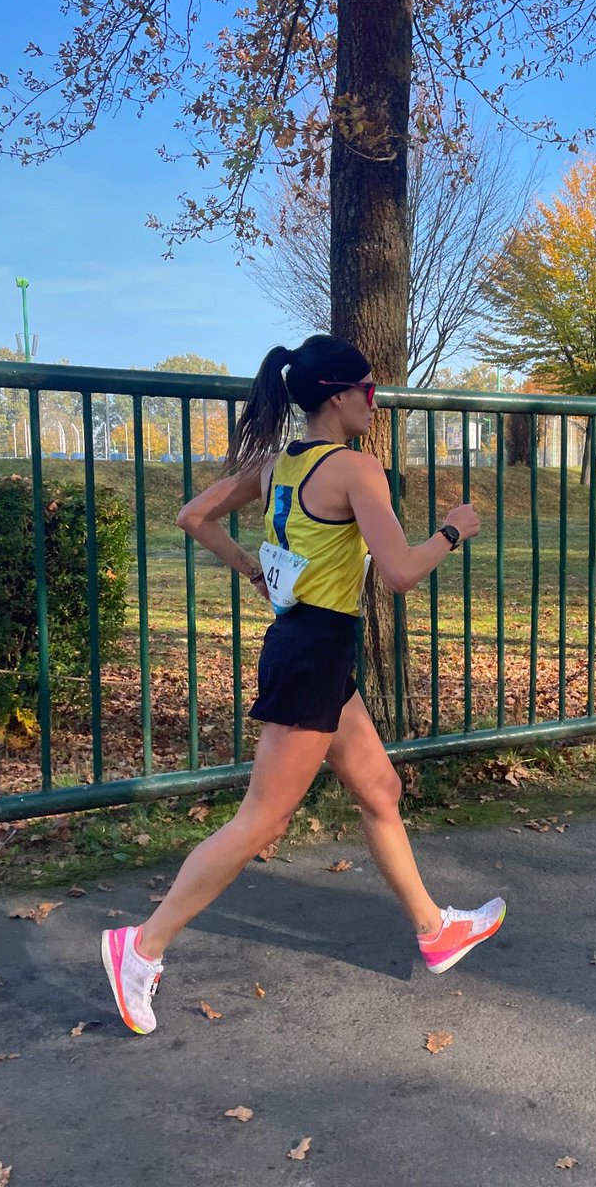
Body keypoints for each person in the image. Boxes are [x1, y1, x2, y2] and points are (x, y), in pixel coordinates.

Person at [101, 335, 506, 1034]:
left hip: (308, 647)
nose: (376, 403)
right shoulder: (356, 471)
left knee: (380, 788)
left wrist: (252, 570)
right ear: (339, 396)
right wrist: (451, 530)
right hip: (314, 652)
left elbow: (192, 516)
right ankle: (140, 947)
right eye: (370, 391)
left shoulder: (275, 465)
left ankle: (434, 928)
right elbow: (401, 572)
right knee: (264, 818)